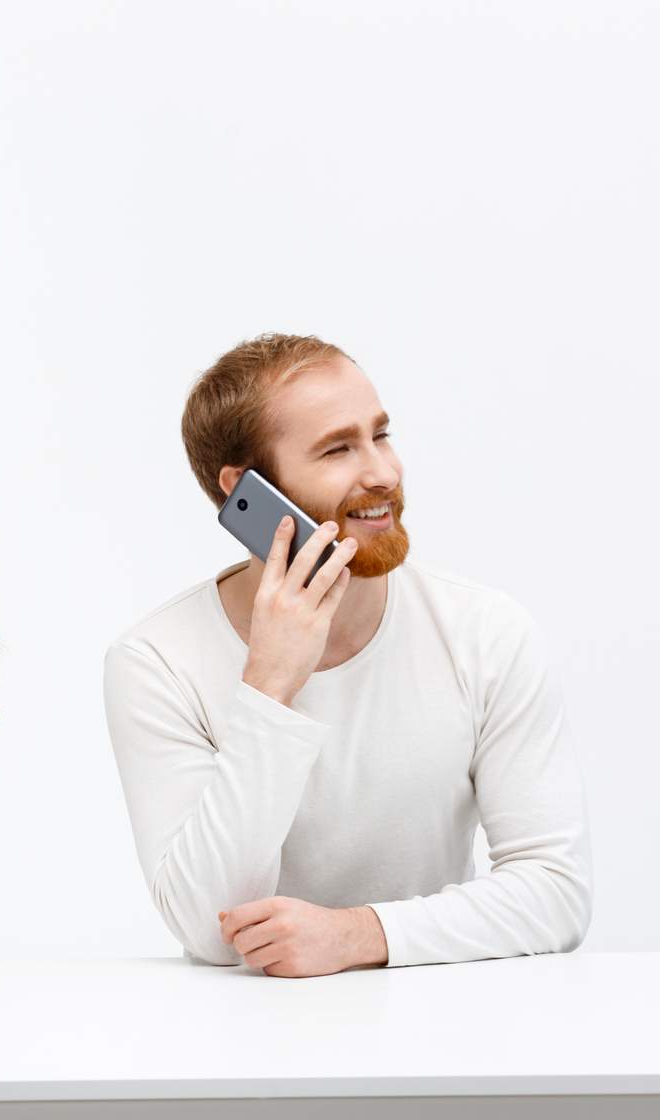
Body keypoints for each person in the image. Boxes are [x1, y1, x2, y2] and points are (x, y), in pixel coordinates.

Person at [103, 333, 591, 977]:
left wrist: (359, 935)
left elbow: (556, 893)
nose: (384, 472)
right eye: (338, 448)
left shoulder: (484, 631)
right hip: (241, 1040)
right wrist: (269, 685)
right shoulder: (156, 660)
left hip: (442, 1024)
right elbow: (210, 926)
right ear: (244, 490)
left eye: (380, 435)